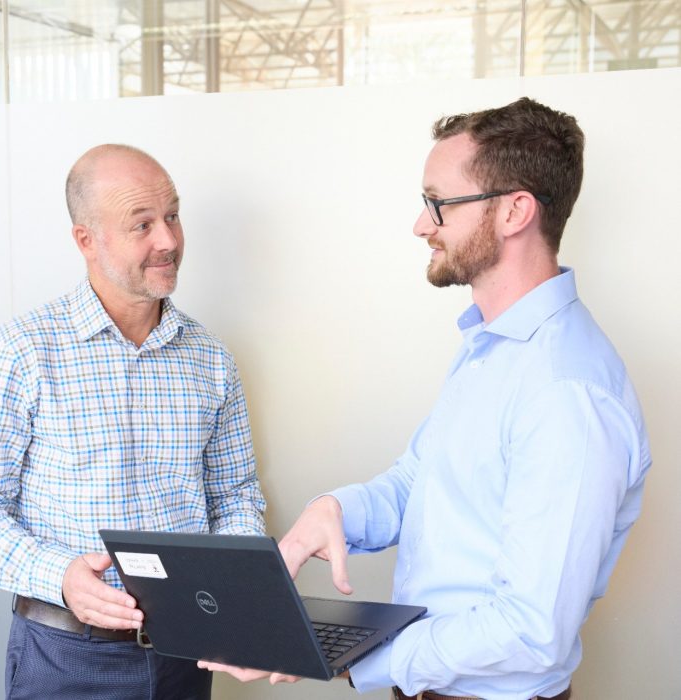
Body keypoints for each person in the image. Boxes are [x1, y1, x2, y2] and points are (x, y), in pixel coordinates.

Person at [201, 97, 651, 698]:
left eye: (438, 203)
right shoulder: (490, 346)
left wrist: (353, 658)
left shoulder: (567, 392)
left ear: (516, 210)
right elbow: (423, 482)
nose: (421, 225)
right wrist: (335, 510)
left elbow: (530, 629)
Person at [0, 144, 266, 700]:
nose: (169, 241)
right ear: (86, 240)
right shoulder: (20, 352)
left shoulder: (212, 359)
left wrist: (230, 599)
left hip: (187, 656)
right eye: (142, 224)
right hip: (63, 660)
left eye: (173, 216)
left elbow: (236, 494)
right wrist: (58, 576)